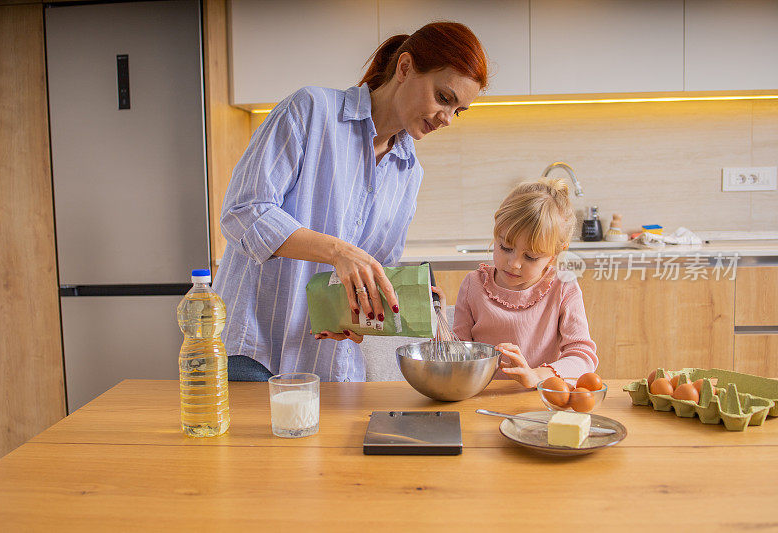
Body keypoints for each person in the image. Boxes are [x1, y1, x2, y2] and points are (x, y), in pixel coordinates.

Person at [212, 22, 489, 381]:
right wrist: (339, 252)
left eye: (459, 110)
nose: (447, 119)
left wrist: (369, 308)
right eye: (444, 98)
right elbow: (243, 213)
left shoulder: (409, 171)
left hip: (324, 361)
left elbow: (374, 266)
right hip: (253, 349)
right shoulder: (311, 111)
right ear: (405, 68)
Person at [442, 178, 598, 387]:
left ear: (553, 255)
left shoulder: (563, 287)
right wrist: (439, 318)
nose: (514, 264)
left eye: (531, 257)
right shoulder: (473, 285)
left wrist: (536, 376)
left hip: (540, 400)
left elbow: (583, 357)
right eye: (506, 248)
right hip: (483, 398)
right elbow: (459, 358)